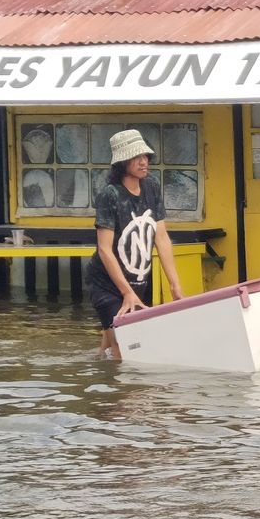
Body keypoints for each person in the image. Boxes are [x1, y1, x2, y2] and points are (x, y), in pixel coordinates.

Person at [87, 129, 184, 359]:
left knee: (110, 346)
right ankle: (121, 391)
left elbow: (161, 237)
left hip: (137, 278)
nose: (143, 162)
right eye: (136, 157)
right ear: (122, 162)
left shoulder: (151, 187)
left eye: (145, 156)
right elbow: (104, 249)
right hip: (107, 281)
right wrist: (126, 292)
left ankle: (96, 371)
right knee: (124, 347)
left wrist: (174, 284)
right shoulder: (110, 195)